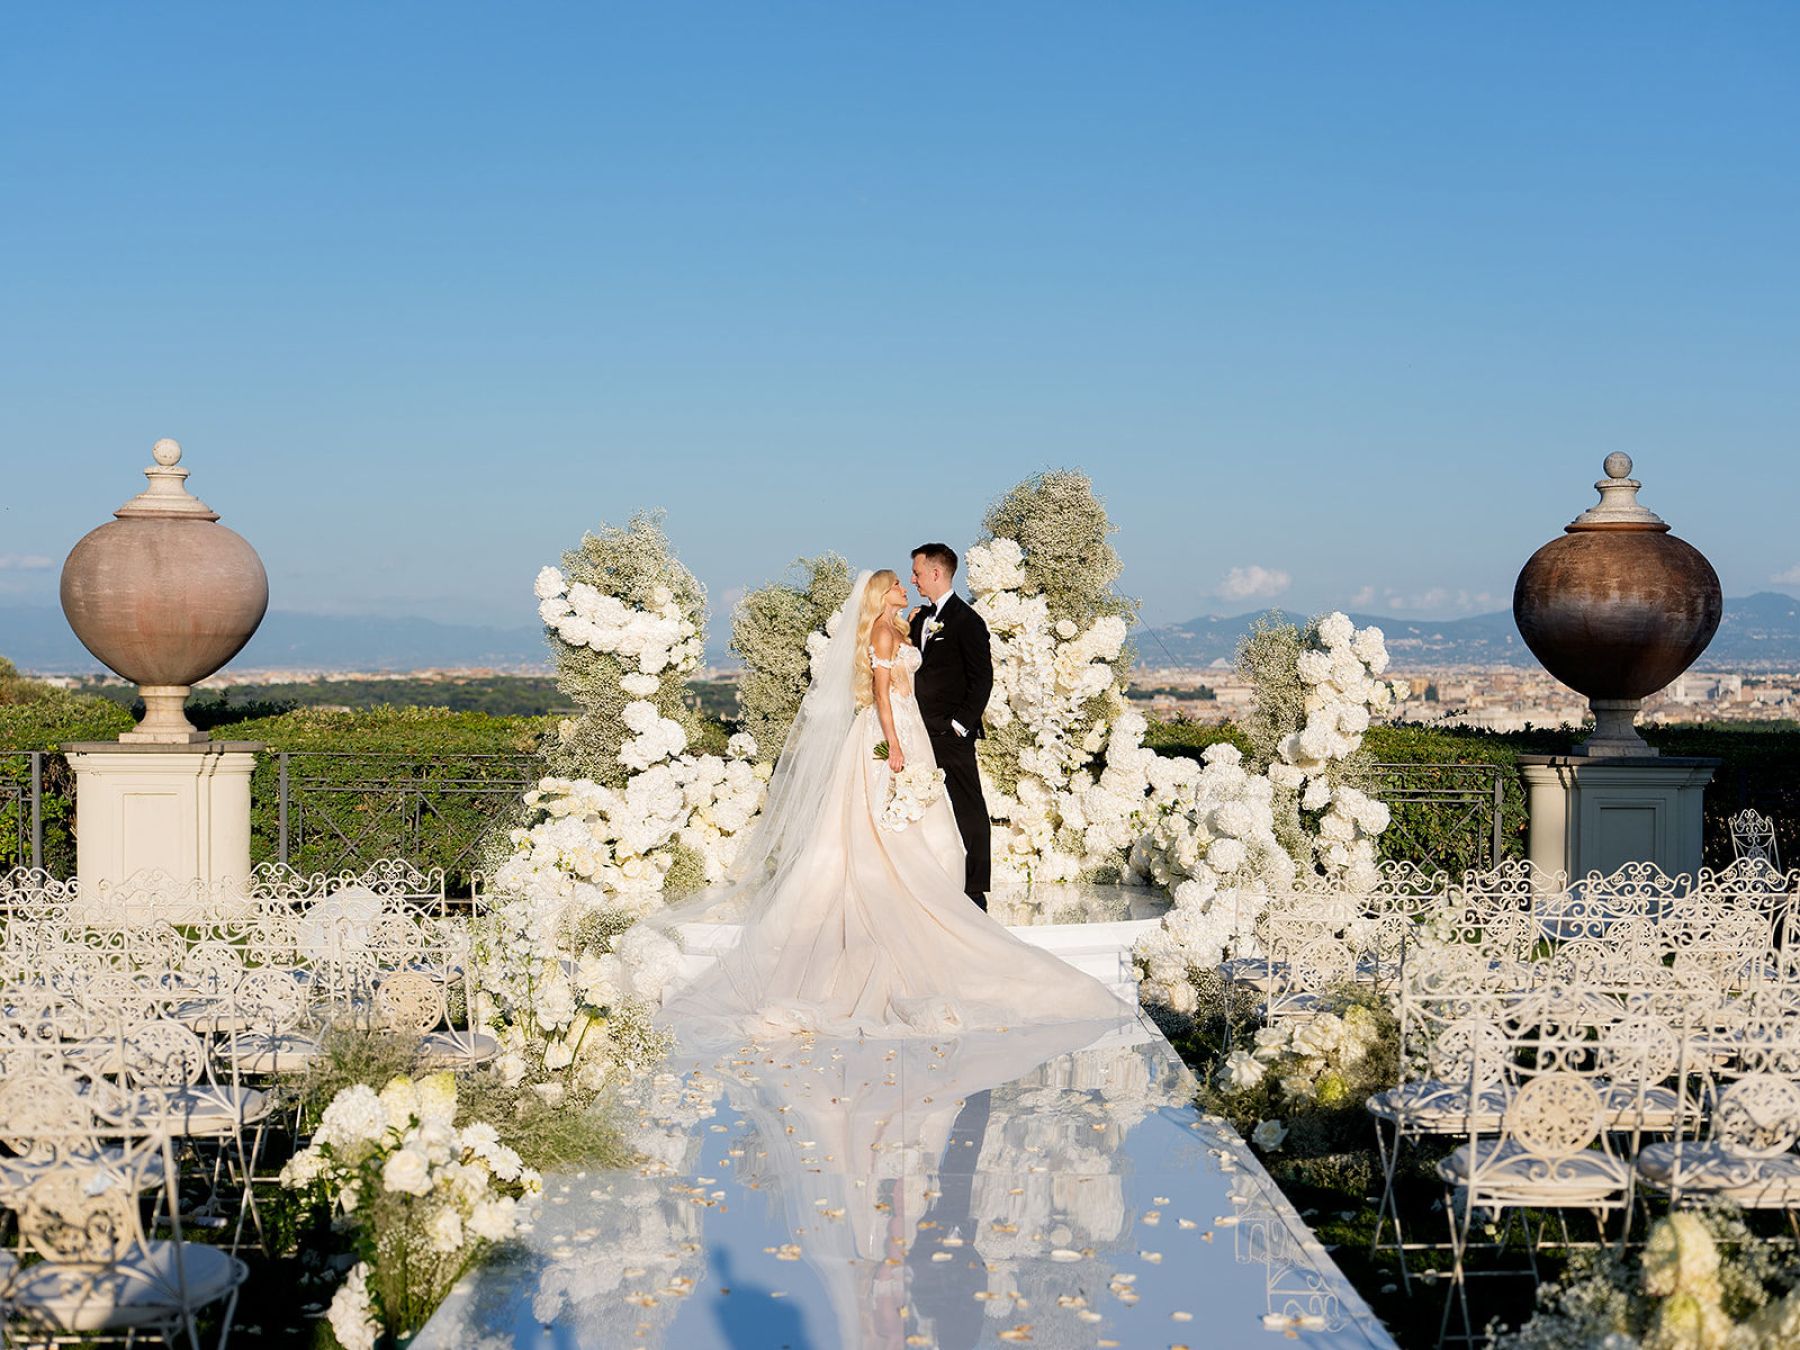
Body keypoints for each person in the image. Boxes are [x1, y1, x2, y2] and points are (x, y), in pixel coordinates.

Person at [650, 568, 1132, 1042]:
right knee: (882, 822)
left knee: (927, 827)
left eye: (912, 578)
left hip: (911, 732)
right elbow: (881, 694)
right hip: (889, 736)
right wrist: (895, 744)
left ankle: (940, 892)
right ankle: (911, 897)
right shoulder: (882, 633)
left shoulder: (903, 626)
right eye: (899, 583)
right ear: (883, 595)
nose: (907, 586)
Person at [908, 543, 994, 909]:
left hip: (951, 734)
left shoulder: (967, 621)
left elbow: (982, 679)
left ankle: (975, 891)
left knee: (968, 806)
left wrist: (960, 724)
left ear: (936, 573)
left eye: (917, 572)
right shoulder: (919, 619)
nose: (913, 579)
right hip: (916, 731)